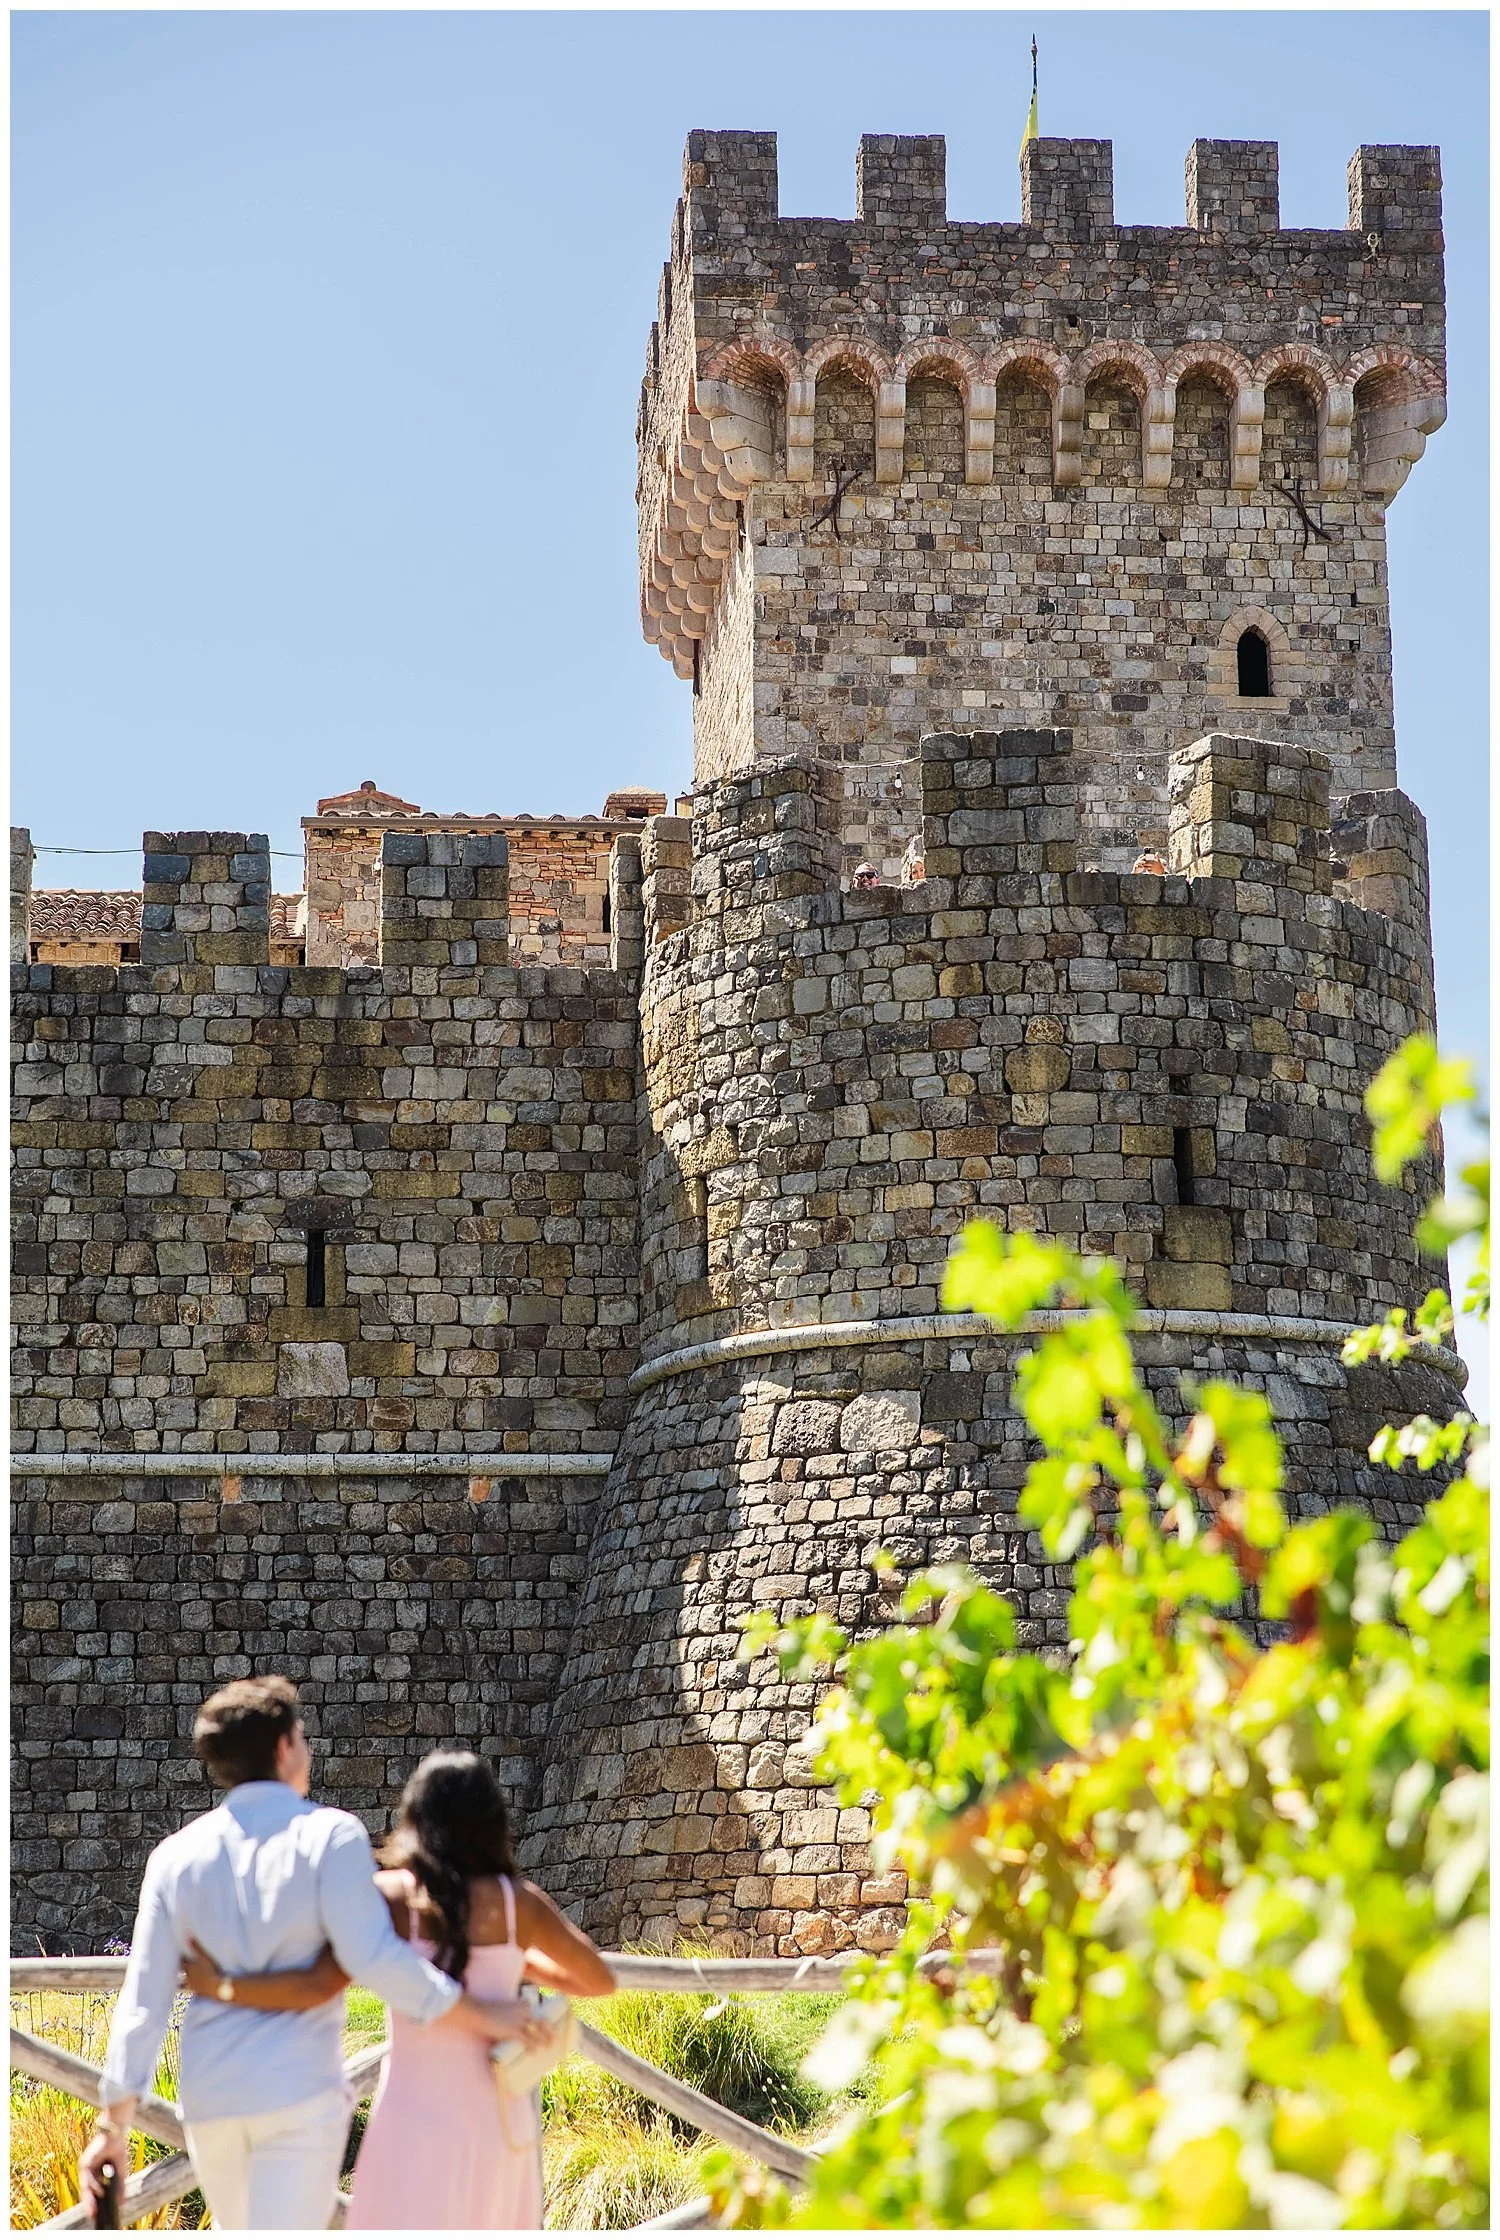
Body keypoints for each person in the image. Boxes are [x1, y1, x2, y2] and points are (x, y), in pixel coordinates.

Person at [80, 1679, 542, 2232]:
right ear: (283, 1748)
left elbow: (144, 1997)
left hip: (212, 2091)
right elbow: (373, 1956)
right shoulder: (331, 1835)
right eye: (302, 1735)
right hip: (298, 2087)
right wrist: (479, 2011)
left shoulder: (174, 1857)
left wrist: (114, 2122)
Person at [179, 1747, 616, 2231]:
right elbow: (599, 1979)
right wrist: (517, 1964)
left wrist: (221, 1983)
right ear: (492, 1820)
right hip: (494, 2115)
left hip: (412, 2114)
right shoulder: (519, 1906)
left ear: (415, 1816)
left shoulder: (389, 1898)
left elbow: (317, 1982)